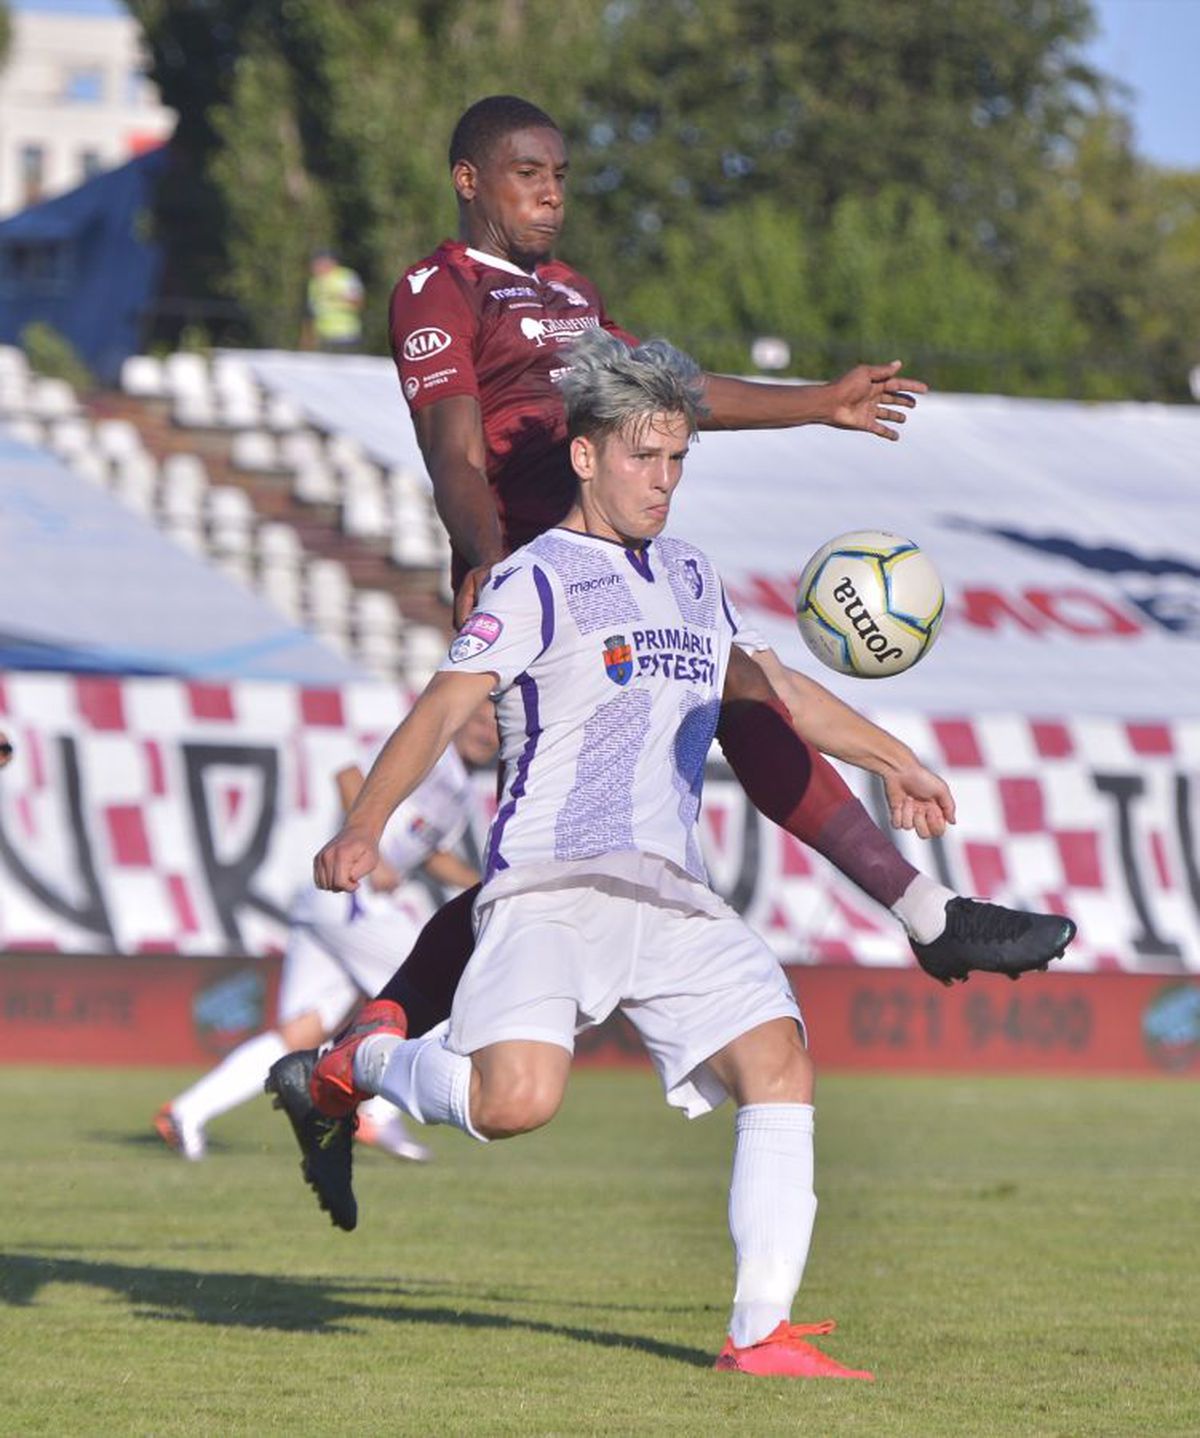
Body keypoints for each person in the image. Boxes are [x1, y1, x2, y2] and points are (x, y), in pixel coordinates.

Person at [361, 93, 1075, 1044]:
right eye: (527, 175)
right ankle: (925, 913)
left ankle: (353, 1050)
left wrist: (820, 401)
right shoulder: (438, 287)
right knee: (556, 853)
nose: (551, 195)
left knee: (736, 698)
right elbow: (452, 450)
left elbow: (665, 396)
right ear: (469, 180)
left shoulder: (573, 293)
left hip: (627, 561)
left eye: (560, 176)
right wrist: (487, 562)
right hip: (544, 577)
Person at [272, 331, 889, 1377]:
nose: (664, 480)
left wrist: (893, 757)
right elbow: (441, 710)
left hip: (668, 893)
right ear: (588, 456)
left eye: (679, 457)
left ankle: (759, 1333)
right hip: (550, 887)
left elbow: (769, 695)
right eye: (644, 457)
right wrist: (366, 823)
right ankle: (352, 1063)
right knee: (516, 1103)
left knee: (780, 1062)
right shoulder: (535, 579)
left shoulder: (693, 575)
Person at [156, 702, 496, 1162]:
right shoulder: (428, 751)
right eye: (476, 720)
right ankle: (374, 1116)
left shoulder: (458, 788)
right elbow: (348, 773)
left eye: (493, 726)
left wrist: (484, 882)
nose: (484, 733)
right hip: (354, 896)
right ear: (458, 718)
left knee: (300, 1033)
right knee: (434, 995)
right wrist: (367, 839)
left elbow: (429, 852)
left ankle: (186, 1111)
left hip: (329, 904)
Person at [306, 250, 364, 351]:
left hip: (345, 335)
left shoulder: (346, 277)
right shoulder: (314, 283)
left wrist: (338, 296)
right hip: (323, 336)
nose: (314, 267)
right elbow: (312, 312)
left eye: (318, 263)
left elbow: (358, 303)